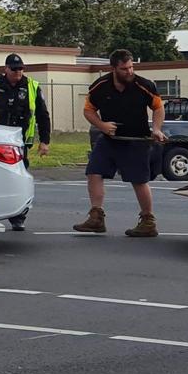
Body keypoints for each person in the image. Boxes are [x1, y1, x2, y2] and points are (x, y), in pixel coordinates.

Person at [73, 49, 166, 237]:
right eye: (124, 69)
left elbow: (158, 107)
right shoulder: (100, 86)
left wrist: (156, 129)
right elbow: (88, 110)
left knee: (139, 180)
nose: (130, 72)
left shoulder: (144, 85)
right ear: (113, 68)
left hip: (136, 140)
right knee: (93, 171)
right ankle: (96, 218)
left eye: (131, 67)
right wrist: (102, 125)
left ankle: (148, 221)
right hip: (110, 139)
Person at [0, 53, 50, 231]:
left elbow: (43, 116)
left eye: (20, 69)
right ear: (6, 69)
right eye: (14, 69)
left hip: (18, 143)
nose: (18, 72)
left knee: (17, 181)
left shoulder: (32, 87)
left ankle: (18, 216)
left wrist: (45, 141)